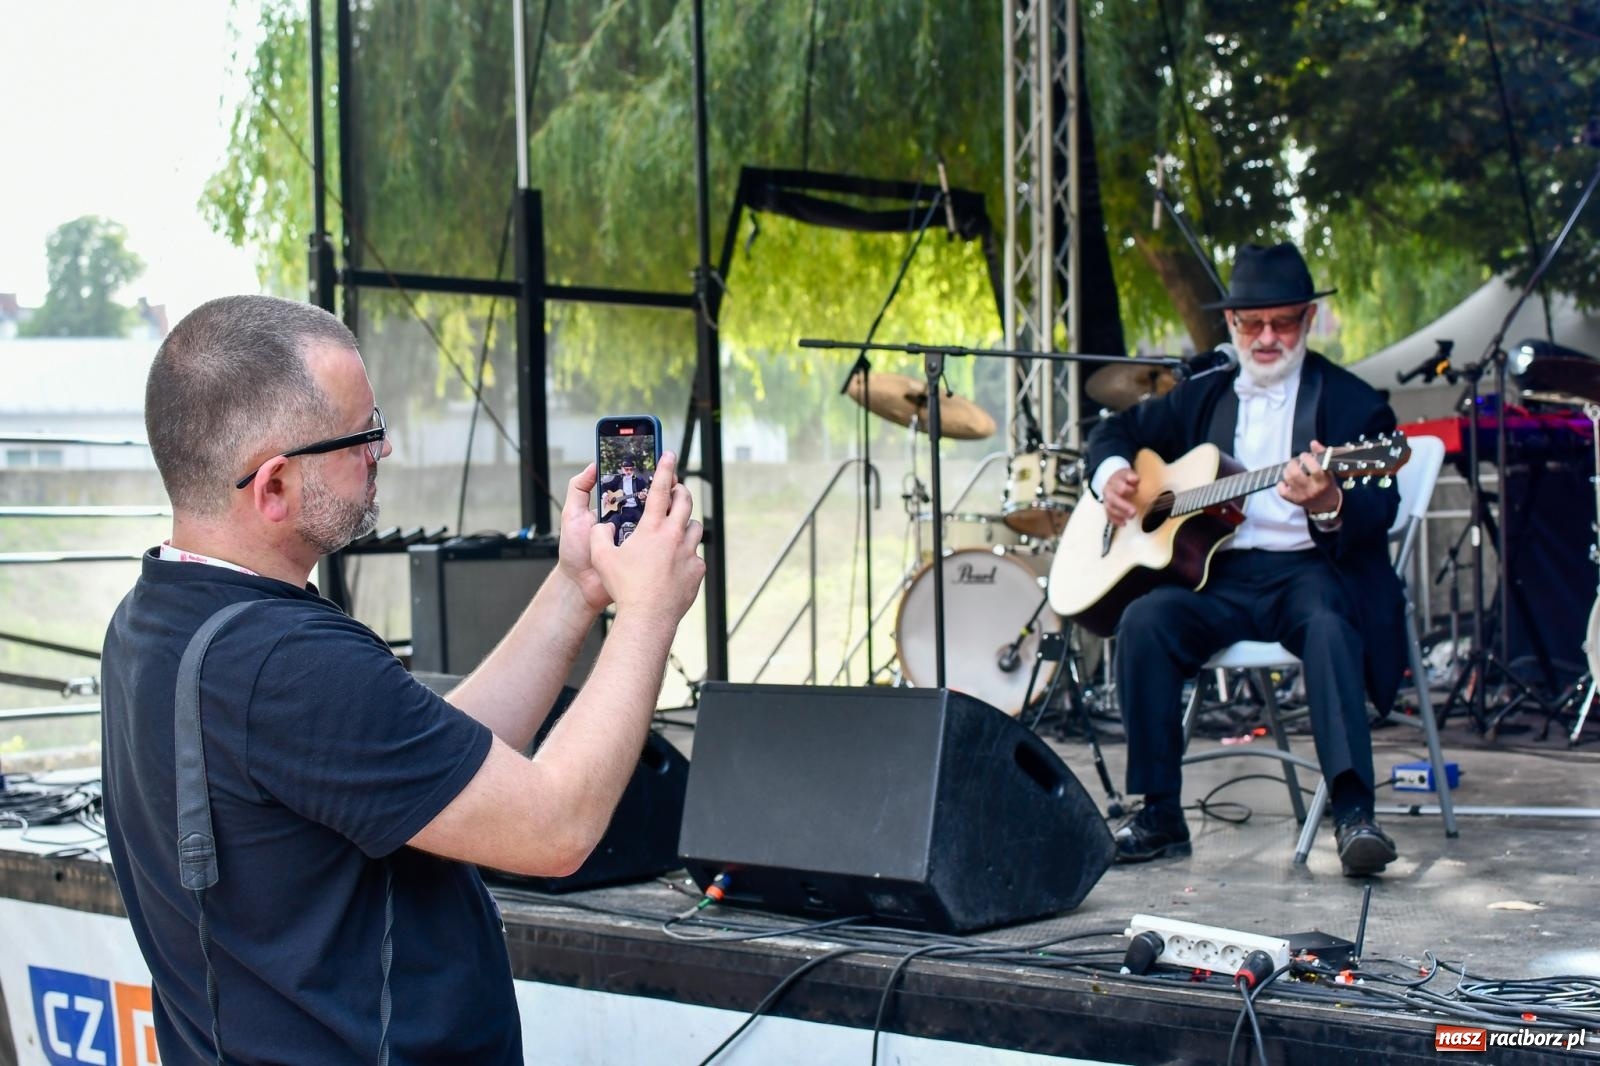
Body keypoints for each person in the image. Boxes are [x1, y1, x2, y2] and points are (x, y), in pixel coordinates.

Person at [100, 295, 705, 1063]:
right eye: (362, 435)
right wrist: (651, 611)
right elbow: (555, 829)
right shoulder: (286, 663)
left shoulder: (155, 618)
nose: (380, 451)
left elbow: (429, 768)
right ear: (274, 487)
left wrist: (577, 588)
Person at [1086, 242, 1405, 877]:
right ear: (1230, 326)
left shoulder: (1351, 404)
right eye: (1250, 324)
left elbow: (1382, 508)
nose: (1265, 338)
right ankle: (1159, 814)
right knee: (1147, 623)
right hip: (1218, 574)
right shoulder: (1202, 396)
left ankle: (1353, 815)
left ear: (1309, 320)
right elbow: (1112, 433)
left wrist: (1330, 500)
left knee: (1331, 626)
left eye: (1282, 322)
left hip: (1311, 572)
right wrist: (1115, 476)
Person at [598, 454, 652, 543]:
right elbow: (603, 486)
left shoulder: (639, 481)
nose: (629, 472)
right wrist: (605, 495)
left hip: (635, 509)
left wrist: (643, 498)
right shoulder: (617, 479)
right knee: (613, 522)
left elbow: (646, 492)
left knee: (645, 521)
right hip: (622, 510)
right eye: (626, 469)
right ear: (622, 469)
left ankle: (644, 543)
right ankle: (614, 544)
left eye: (631, 469)